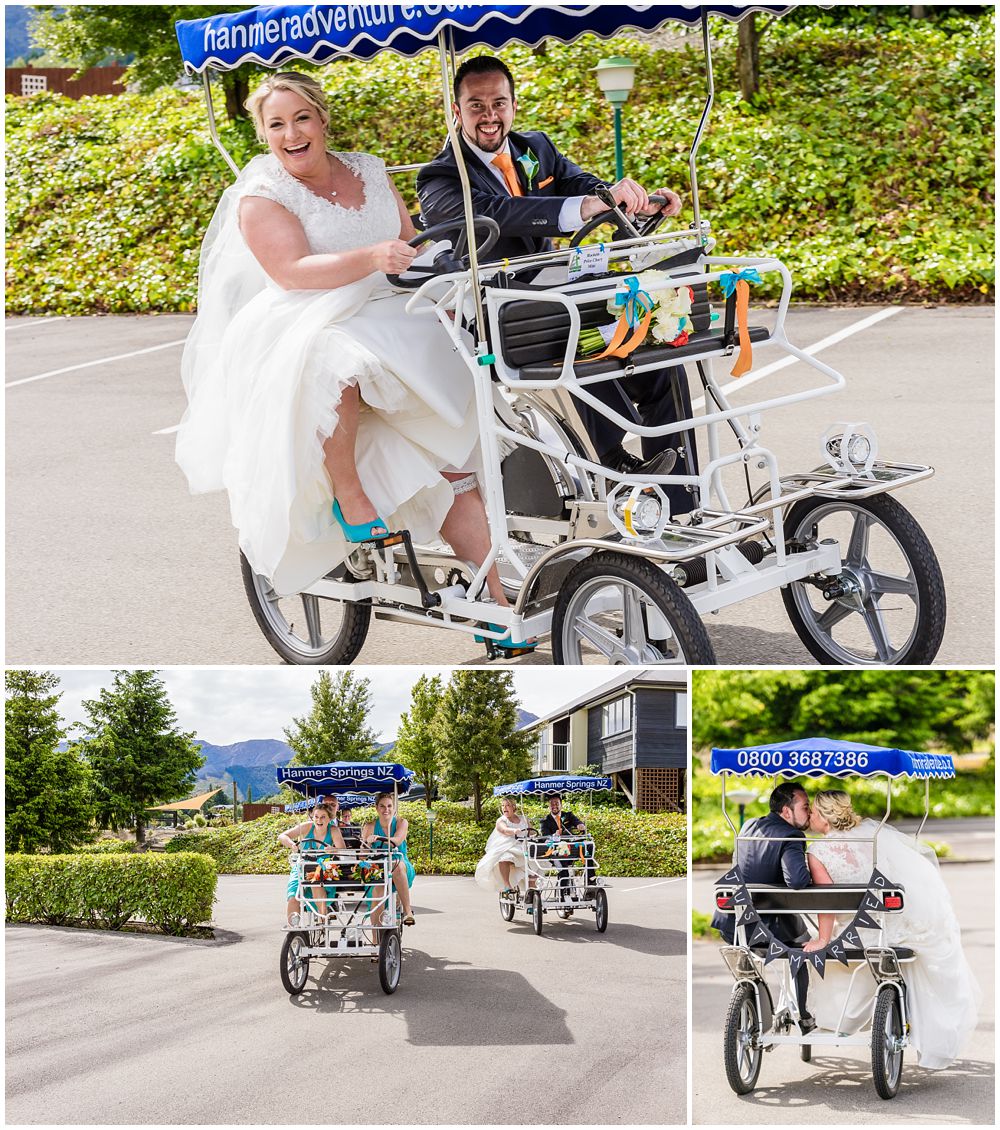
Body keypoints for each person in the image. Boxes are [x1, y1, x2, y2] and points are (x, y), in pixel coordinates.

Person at [175, 72, 530, 647]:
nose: (292, 134)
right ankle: (349, 493)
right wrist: (369, 256)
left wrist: (444, 269)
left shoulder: (367, 167)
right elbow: (289, 271)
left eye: (302, 119)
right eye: (276, 125)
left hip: (389, 306)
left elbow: (410, 239)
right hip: (310, 315)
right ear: (263, 133)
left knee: (453, 454)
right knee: (337, 361)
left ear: (322, 119)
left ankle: (496, 604)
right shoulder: (262, 196)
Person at [416, 54, 697, 506]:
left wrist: (631, 200)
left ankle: (681, 498)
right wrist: (584, 208)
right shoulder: (442, 177)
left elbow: (583, 184)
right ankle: (614, 465)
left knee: (661, 360)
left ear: (513, 103)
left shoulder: (536, 148)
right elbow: (499, 214)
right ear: (456, 110)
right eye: (476, 105)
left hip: (563, 291)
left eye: (499, 103)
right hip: (506, 312)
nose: (490, 116)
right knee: (572, 338)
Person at [803, 789, 978, 1069]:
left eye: (812, 810)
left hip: (855, 934)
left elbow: (828, 902)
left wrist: (824, 939)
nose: (809, 815)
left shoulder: (817, 851)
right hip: (887, 924)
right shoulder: (871, 840)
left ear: (824, 816)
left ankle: (841, 1020)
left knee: (820, 949)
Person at [710, 781, 815, 1032]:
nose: (809, 812)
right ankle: (802, 1014)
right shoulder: (792, 835)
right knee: (802, 948)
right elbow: (798, 881)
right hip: (769, 928)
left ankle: (752, 997)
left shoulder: (748, 825)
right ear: (786, 812)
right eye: (805, 807)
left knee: (753, 954)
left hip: (733, 923)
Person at [278, 801, 345, 924]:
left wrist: (334, 849)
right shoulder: (307, 826)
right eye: (316, 817)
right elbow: (282, 836)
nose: (319, 820)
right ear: (313, 817)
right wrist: (292, 844)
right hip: (303, 866)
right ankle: (294, 928)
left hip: (324, 867)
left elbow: (342, 850)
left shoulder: (334, 830)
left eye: (323, 817)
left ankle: (322, 922)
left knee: (316, 883)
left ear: (329, 818)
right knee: (293, 896)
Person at [361, 792, 416, 928]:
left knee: (396, 866)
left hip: (399, 862)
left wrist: (379, 839)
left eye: (389, 806)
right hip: (378, 866)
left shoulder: (401, 823)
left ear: (394, 807)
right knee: (377, 890)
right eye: (382, 806)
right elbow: (363, 854)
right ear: (377, 808)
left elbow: (397, 840)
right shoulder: (370, 826)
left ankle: (408, 911)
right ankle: (376, 941)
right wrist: (367, 843)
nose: (386, 810)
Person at [538, 791, 595, 903]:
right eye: (552, 804)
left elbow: (577, 822)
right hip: (555, 851)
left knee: (589, 846)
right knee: (563, 868)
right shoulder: (545, 821)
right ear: (549, 806)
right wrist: (554, 835)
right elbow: (544, 836)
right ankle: (564, 893)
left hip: (571, 849)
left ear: (561, 805)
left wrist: (580, 825)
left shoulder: (568, 815)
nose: (554, 806)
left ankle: (590, 880)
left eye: (556, 803)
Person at [474, 795, 532, 893]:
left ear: (513, 807)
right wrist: (514, 831)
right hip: (507, 845)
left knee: (534, 860)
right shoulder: (501, 820)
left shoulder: (523, 819)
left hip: (524, 845)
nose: (504, 808)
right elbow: (504, 829)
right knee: (505, 857)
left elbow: (532, 832)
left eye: (507, 805)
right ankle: (506, 884)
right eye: (503, 806)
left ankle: (532, 891)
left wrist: (533, 834)